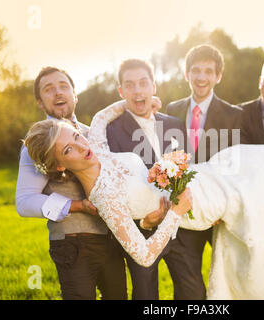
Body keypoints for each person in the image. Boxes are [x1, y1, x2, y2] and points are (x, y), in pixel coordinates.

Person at [23, 99, 264, 299]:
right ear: (59, 166)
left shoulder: (98, 149)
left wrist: (141, 102)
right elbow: (144, 255)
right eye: (70, 148)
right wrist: (174, 214)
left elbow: (101, 115)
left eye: (76, 135)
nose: (82, 147)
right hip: (192, 204)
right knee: (254, 186)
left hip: (196, 174)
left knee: (246, 157)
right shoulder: (106, 200)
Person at [15, 67, 163, 300]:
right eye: (48, 89)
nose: (57, 92)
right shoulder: (38, 145)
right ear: (40, 102)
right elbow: (24, 202)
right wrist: (78, 206)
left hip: (110, 239)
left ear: (75, 95)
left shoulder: (91, 134)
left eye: (63, 86)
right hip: (74, 244)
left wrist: (141, 102)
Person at [105, 59, 194, 300]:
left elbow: (188, 168)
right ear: (121, 91)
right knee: (145, 297)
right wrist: (145, 222)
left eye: (143, 83)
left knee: (194, 293)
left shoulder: (174, 124)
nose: (138, 91)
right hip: (143, 232)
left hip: (182, 230)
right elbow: (115, 188)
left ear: (153, 86)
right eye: (130, 85)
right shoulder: (111, 132)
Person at [166, 44, 242, 299]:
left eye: (208, 71)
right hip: (185, 212)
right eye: (196, 71)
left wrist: (226, 207)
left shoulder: (234, 116)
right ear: (187, 74)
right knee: (189, 290)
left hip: (220, 214)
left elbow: (236, 167)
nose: (201, 77)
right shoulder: (171, 110)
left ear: (218, 76)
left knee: (230, 281)